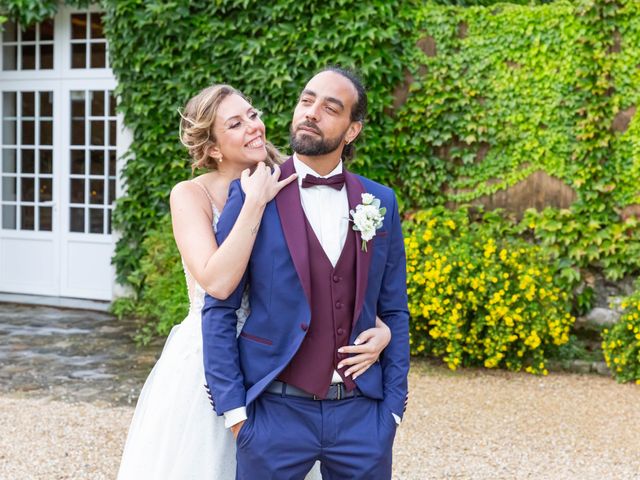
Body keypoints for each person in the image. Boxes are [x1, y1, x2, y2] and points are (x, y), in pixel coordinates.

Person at [117, 84, 392, 479]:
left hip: (285, 363)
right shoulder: (191, 195)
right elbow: (216, 283)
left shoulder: (288, 178)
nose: (254, 127)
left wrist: (380, 330)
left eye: (253, 114)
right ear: (213, 148)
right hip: (215, 360)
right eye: (236, 123)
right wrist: (252, 202)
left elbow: (330, 274)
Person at [203, 68, 410, 479]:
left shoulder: (379, 201)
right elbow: (219, 310)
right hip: (274, 416)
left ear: (352, 131)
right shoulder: (251, 194)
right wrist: (237, 417)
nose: (312, 113)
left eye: (330, 108)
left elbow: (395, 309)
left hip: (362, 417)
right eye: (307, 100)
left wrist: (392, 412)